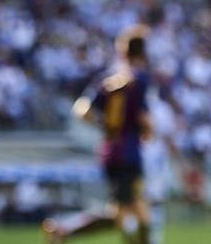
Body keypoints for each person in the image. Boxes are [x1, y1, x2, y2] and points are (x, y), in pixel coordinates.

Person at [43, 27, 153, 244]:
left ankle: (63, 231)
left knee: (129, 213)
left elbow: (81, 109)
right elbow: (145, 120)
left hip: (110, 152)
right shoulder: (139, 79)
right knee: (132, 214)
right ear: (142, 53)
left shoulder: (108, 79)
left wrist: (106, 125)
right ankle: (63, 231)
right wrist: (146, 130)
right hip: (128, 154)